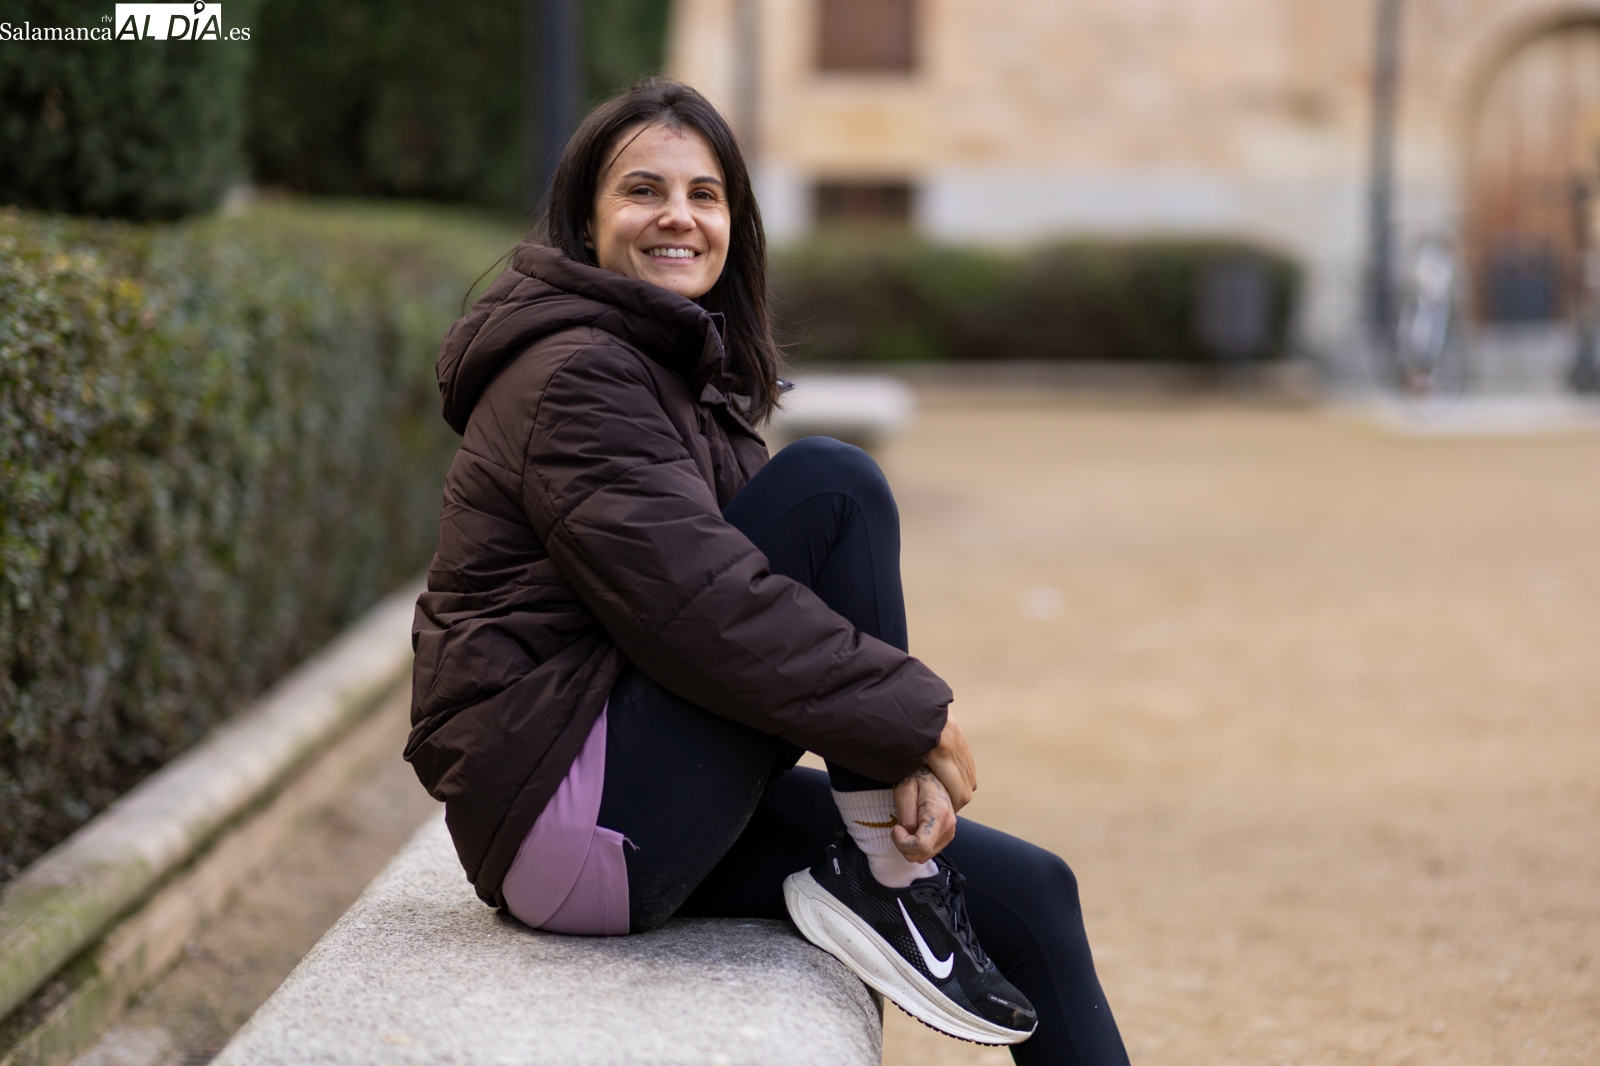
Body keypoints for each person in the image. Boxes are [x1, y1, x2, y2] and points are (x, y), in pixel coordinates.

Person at [407, 78, 1129, 1063]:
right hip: (566, 811)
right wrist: (910, 718)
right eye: (643, 191)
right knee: (833, 485)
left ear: (733, 223)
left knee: (1034, 893)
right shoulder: (575, 375)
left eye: (705, 195)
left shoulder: (666, 374)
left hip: (617, 776)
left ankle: (891, 880)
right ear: (586, 217)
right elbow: (702, 611)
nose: (678, 216)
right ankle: (890, 880)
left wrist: (892, 741)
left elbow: (756, 609)